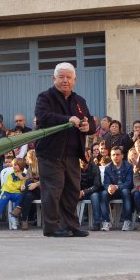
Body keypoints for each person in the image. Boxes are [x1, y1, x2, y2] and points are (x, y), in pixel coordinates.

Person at [34, 62, 96, 237]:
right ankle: (52, 228)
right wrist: (68, 119)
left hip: (72, 154)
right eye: (61, 77)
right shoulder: (45, 97)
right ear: (54, 78)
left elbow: (91, 121)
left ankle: (71, 226)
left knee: (71, 191)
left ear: (75, 80)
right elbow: (43, 117)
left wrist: (87, 126)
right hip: (50, 153)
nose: (65, 81)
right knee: (52, 191)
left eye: (69, 77)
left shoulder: (79, 100)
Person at [0, 157, 26, 231]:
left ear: (21, 165)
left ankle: (14, 219)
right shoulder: (11, 175)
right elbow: (9, 185)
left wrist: (22, 182)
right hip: (6, 192)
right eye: (14, 164)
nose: (14, 166)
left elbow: (24, 185)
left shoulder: (24, 176)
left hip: (16, 193)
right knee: (0, 205)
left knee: (20, 198)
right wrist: (20, 188)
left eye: (16, 165)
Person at [101, 146, 134, 231]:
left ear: (122, 155)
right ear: (111, 156)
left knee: (126, 192)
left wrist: (116, 187)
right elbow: (106, 183)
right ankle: (106, 221)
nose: (115, 156)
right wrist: (109, 188)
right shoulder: (108, 168)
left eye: (118, 154)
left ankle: (127, 221)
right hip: (113, 191)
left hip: (123, 190)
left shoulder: (128, 166)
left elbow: (129, 183)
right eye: (113, 155)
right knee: (104, 193)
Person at [10, 149, 40, 230]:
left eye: (27, 157)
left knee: (30, 182)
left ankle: (18, 208)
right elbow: (26, 179)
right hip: (32, 191)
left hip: (42, 191)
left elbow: (46, 180)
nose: (26, 158)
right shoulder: (30, 167)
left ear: (32, 157)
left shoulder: (41, 166)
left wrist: (36, 184)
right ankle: (24, 220)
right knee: (28, 196)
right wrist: (23, 185)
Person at [79, 157, 103, 231]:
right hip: (79, 192)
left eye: (85, 157)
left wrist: (83, 192)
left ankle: (97, 223)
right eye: (81, 157)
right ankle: (69, 223)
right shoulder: (75, 167)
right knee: (69, 194)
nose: (83, 159)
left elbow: (97, 185)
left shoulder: (94, 168)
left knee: (95, 196)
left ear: (89, 158)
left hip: (92, 192)